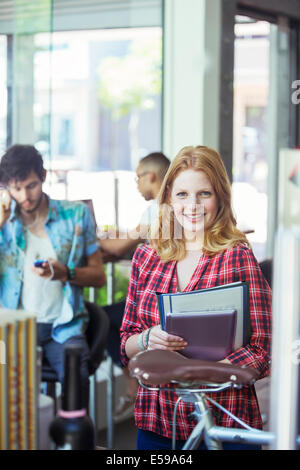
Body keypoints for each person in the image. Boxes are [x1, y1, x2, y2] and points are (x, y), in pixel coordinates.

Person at [120, 145, 272, 450]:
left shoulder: (236, 256)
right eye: (182, 195)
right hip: (158, 418)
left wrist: (202, 376)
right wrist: (148, 339)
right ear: (167, 199)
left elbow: (263, 349)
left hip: (225, 418)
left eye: (204, 193)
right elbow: (126, 344)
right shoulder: (146, 257)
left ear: (220, 198)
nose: (193, 206)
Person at [0, 144, 106, 410]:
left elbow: (99, 276)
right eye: (16, 188)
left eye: (31, 185)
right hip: (12, 328)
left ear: (44, 176)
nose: (25, 196)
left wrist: (66, 273)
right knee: (8, 397)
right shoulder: (4, 223)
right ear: (6, 188)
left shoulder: (75, 216)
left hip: (63, 325)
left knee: (76, 381)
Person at [100, 152, 170, 423]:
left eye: (137, 178)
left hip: (154, 306)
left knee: (103, 319)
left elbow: (119, 247)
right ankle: (135, 380)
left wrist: (96, 239)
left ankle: (133, 382)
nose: (137, 185)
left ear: (150, 176)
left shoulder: (156, 208)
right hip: (163, 301)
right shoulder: (170, 208)